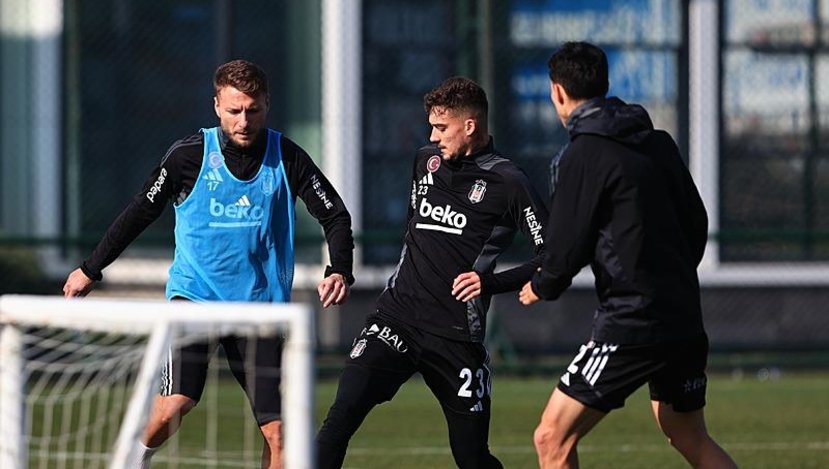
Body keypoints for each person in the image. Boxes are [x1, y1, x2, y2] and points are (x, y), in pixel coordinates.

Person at [62, 59, 354, 469]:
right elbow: (140, 212)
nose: (244, 120)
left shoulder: (287, 156)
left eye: (253, 110)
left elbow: (335, 215)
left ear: (267, 105)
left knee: (279, 432)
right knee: (175, 404)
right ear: (217, 105)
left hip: (261, 311)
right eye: (234, 110)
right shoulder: (188, 156)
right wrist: (91, 268)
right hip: (195, 299)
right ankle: (132, 460)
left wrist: (339, 268)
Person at [518, 42, 738, 469]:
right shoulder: (658, 143)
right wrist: (670, 276)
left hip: (632, 321)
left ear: (558, 92)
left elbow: (566, 246)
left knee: (551, 437)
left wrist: (542, 285)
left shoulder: (581, 154)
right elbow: (695, 222)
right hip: (682, 314)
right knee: (687, 433)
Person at [316, 76, 548, 468]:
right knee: (339, 419)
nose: (432, 136)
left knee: (472, 456)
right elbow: (414, 227)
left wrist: (489, 283)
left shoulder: (509, 181)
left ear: (469, 125)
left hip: (456, 336)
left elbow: (553, 255)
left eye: (441, 127)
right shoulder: (426, 160)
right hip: (396, 319)